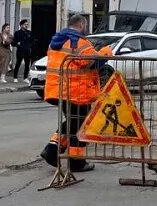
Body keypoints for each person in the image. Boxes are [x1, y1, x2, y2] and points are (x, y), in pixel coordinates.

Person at [39, 14, 110, 174]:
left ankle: (52, 150)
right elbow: (92, 62)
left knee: (72, 122)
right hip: (76, 92)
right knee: (80, 125)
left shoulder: (56, 41)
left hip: (57, 90)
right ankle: (76, 163)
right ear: (82, 25)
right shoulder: (80, 42)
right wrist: (106, 52)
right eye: (85, 26)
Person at [11, 19, 34, 83]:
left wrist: (30, 46)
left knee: (27, 64)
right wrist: (17, 44)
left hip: (27, 50)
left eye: (27, 24)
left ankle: (25, 77)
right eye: (25, 24)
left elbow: (32, 41)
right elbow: (13, 42)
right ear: (21, 25)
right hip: (20, 50)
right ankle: (15, 77)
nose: (26, 26)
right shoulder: (17, 33)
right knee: (18, 63)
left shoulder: (29, 32)